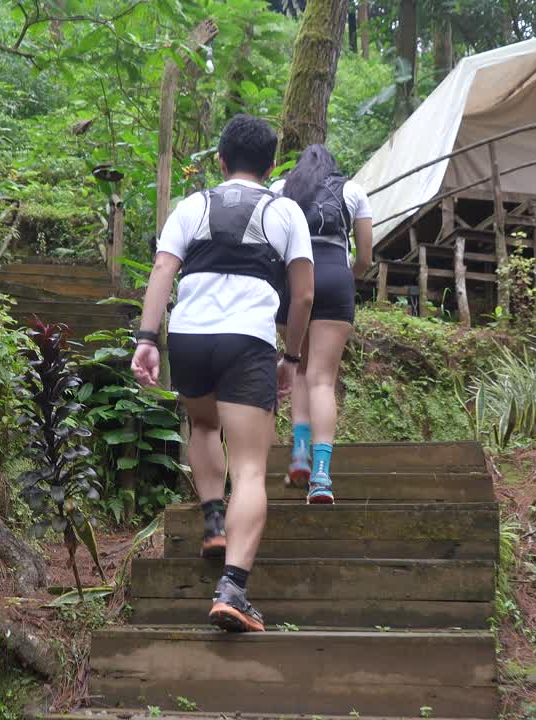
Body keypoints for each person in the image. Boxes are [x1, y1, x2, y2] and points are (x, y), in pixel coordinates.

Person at [131, 114, 314, 633]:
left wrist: (147, 340)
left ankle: (214, 520)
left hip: (188, 336)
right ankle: (233, 588)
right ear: (273, 163)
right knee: (252, 468)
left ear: (220, 160)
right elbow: (303, 294)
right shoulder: (285, 212)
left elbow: (164, 269)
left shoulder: (192, 205)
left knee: (205, 426)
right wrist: (292, 357)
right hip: (246, 340)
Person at [269, 144, 374, 504]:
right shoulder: (352, 191)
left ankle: (299, 453)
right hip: (334, 275)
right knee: (323, 380)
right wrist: (348, 277)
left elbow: (268, 245)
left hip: (292, 279)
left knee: (297, 369)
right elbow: (365, 256)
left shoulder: (280, 190)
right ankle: (321, 477)